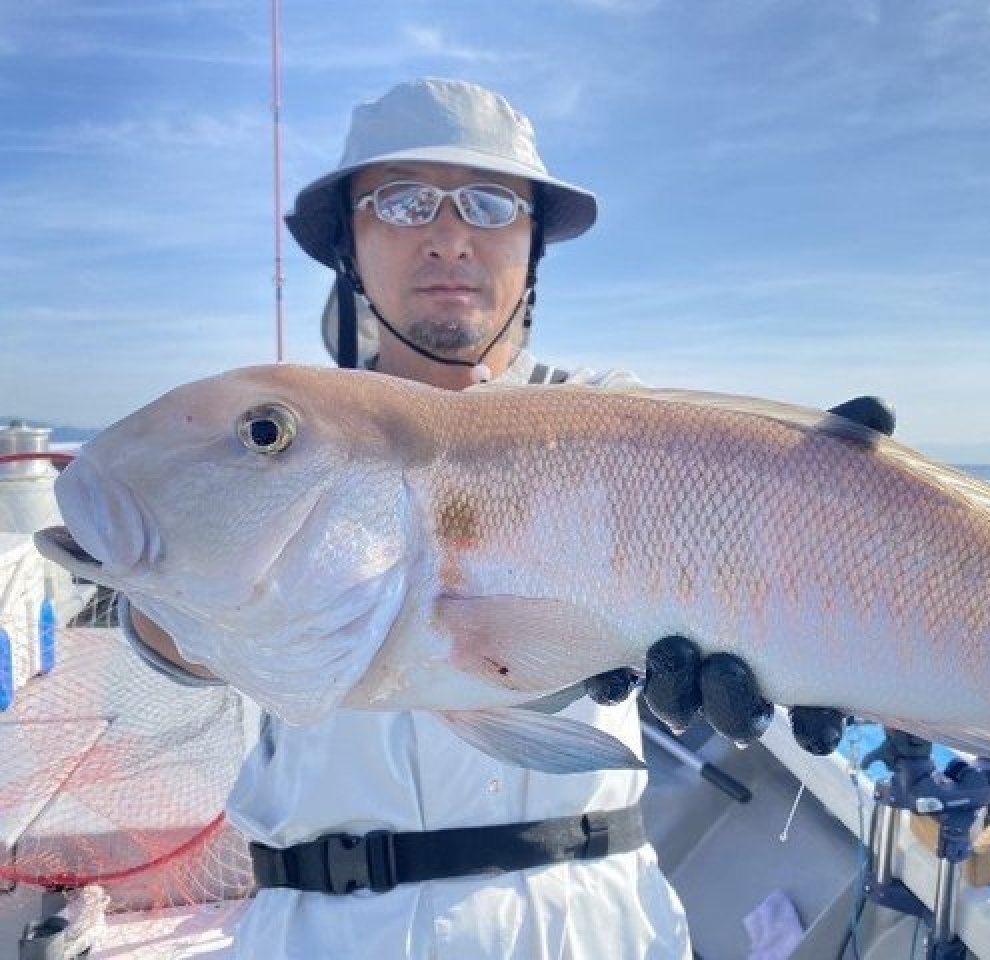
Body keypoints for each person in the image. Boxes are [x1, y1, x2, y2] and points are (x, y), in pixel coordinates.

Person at [121, 77, 880, 958]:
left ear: (532, 243)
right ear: (349, 242)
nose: (449, 237)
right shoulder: (272, 434)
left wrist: (844, 570)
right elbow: (161, 627)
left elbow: (756, 560)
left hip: (594, 920)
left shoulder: (625, 426)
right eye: (402, 202)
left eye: (490, 204)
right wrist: (182, 590)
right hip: (325, 928)